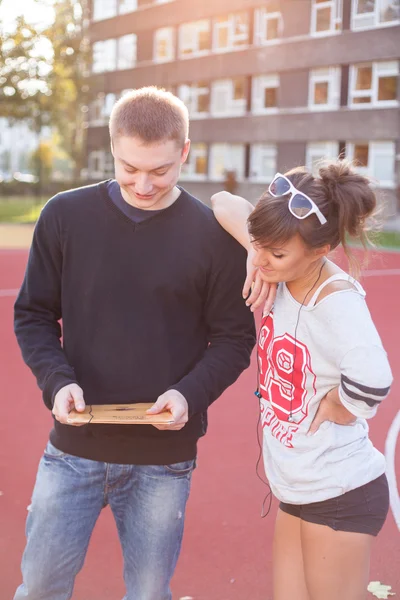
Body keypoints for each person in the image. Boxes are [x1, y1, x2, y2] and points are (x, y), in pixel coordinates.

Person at [13, 87, 256, 600]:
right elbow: (33, 315)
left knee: (148, 594)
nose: (143, 185)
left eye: (161, 170)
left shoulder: (213, 236)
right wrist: (57, 384)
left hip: (163, 460)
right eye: (129, 167)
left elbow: (234, 339)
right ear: (112, 146)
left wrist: (190, 395)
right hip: (73, 447)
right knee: (38, 588)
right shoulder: (64, 215)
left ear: (185, 152)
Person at [211, 160, 393, 600]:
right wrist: (259, 254)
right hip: (299, 487)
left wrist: (338, 406)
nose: (264, 259)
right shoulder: (277, 257)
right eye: (259, 245)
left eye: (276, 254)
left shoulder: (334, 301)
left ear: (321, 249)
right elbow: (222, 201)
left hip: (339, 491)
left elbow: (374, 378)